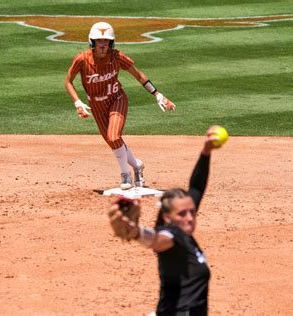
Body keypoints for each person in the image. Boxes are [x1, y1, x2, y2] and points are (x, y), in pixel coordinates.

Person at [108, 126, 220, 315]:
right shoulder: (172, 235)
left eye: (192, 212)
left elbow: (197, 187)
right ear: (168, 217)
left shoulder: (183, 232)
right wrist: (136, 233)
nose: (190, 218)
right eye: (182, 214)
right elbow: (156, 240)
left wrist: (206, 152)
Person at [65, 22, 176, 190]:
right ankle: (137, 165)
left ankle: (126, 176)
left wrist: (157, 94)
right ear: (91, 42)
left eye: (106, 41)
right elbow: (68, 82)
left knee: (114, 136)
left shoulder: (116, 57)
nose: (103, 45)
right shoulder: (81, 59)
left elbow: (138, 75)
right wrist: (77, 102)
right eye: (98, 41)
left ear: (112, 43)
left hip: (117, 99)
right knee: (113, 142)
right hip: (96, 105)